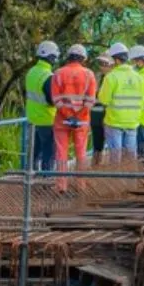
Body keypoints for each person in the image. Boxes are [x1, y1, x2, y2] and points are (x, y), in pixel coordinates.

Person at [49, 44, 99, 186]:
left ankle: (61, 185)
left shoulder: (58, 73)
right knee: (81, 152)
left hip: (62, 120)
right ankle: (81, 184)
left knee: (61, 152)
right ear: (83, 58)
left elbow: (56, 99)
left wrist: (67, 115)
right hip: (81, 121)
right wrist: (78, 116)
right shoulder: (89, 74)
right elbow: (90, 100)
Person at [96, 42, 143, 164]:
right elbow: (142, 99)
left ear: (116, 60)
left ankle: (116, 182)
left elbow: (103, 100)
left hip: (114, 122)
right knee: (130, 157)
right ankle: (130, 182)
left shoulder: (111, 77)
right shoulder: (138, 77)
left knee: (115, 158)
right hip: (132, 122)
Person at [23, 41, 59, 174]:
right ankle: (46, 180)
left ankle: (30, 179)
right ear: (51, 58)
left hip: (32, 118)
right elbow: (52, 100)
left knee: (33, 152)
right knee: (48, 153)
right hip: (46, 119)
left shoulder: (31, 72)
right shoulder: (48, 76)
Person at [89, 48, 113, 161]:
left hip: (109, 114)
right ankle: (96, 164)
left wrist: (97, 100)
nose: (102, 66)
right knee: (97, 142)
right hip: (95, 114)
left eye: (105, 63)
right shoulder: (97, 76)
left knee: (113, 143)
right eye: (101, 63)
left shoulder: (113, 78)